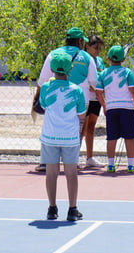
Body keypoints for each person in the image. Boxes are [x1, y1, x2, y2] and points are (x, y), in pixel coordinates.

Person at [34, 27, 97, 172]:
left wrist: (37, 96)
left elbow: (43, 78)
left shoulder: (54, 54)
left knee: (50, 125)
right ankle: (72, 162)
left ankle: (45, 161)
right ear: (80, 41)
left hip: (53, 96)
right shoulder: (86, 57)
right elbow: (94, 81)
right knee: (77, 129)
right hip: (79, 97)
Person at [40, 52, 86, 221]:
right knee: (71, 173)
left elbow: (44, 105)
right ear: (70, 69)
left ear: (52, 69)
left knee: (51, 173)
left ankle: (52, 208)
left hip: (50, 135)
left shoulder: (45, 87)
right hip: (70, 137)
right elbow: (82, 113)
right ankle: (72, 209)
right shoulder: (77, 90)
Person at [96, 45, 134, 173]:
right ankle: (131, 164)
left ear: (108, 58)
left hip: (111, 108)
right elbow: (133, 91)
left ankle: (110, 164)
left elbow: (98, 92)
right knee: (130, 136)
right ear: (124, 59)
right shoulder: (127, 72)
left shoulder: (103, 73)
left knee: (111, 137)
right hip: (127, 107)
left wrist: (104, 106)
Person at [83, 35, 105, 167]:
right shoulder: (84, 59)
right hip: (86, 97)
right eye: (95, 47)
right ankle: (72, 158)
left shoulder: (99, 61)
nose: (97, 51)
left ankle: (89, 157)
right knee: (81, 128)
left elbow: (100, 77)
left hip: (96, 98)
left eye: (99, 48)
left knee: (91, 127)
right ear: (87, 46)